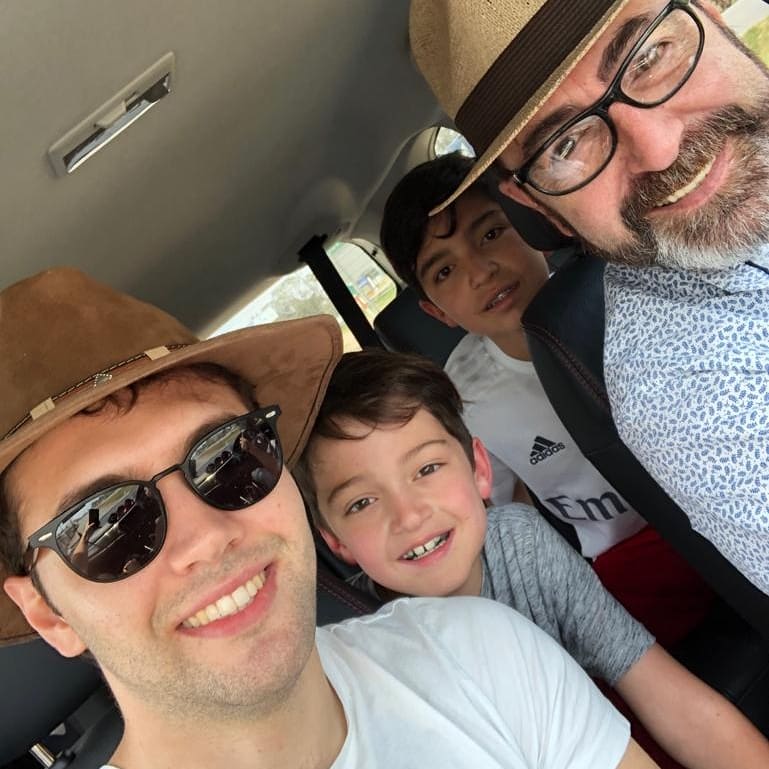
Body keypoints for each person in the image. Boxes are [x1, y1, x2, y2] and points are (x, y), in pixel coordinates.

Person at [0, 268, 655, 769]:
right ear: (50, 615)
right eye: (106, 525)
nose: (207, 537)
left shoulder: (483, 651)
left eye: (229, 458)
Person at [408, 0, 769, 594]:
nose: (659, 148)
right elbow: (511, 510)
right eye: (565, 145)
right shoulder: (684, 382)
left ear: (712, 11)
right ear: (539, 208)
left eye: (649, 55)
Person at [295, 347, 769, 769]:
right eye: (361, 503)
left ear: (480, 469)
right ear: (335, 541)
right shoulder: (356, 653)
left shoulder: (521, 548)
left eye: (427, 468)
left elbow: (664, 693)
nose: (409, 515)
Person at [379, 151, 713, 645]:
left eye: (491, 233)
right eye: (444, 271)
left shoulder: (622, 293)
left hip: (705, 496)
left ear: (531, 222)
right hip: (626, 553)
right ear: (436, 311)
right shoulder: (462, 399)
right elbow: (507, 501)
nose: (480, 271)